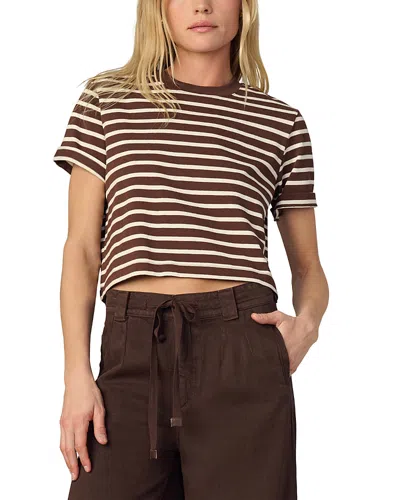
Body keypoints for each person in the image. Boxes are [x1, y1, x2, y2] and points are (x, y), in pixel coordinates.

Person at [53, 1, 329, 498]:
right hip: (132, 345)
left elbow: (308, 265)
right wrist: (77, 375)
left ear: (244, 8)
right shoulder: (106, 102)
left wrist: (306, 326)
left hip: (241, 349)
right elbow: (82, 249)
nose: (202, 5)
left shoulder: (280, 122)